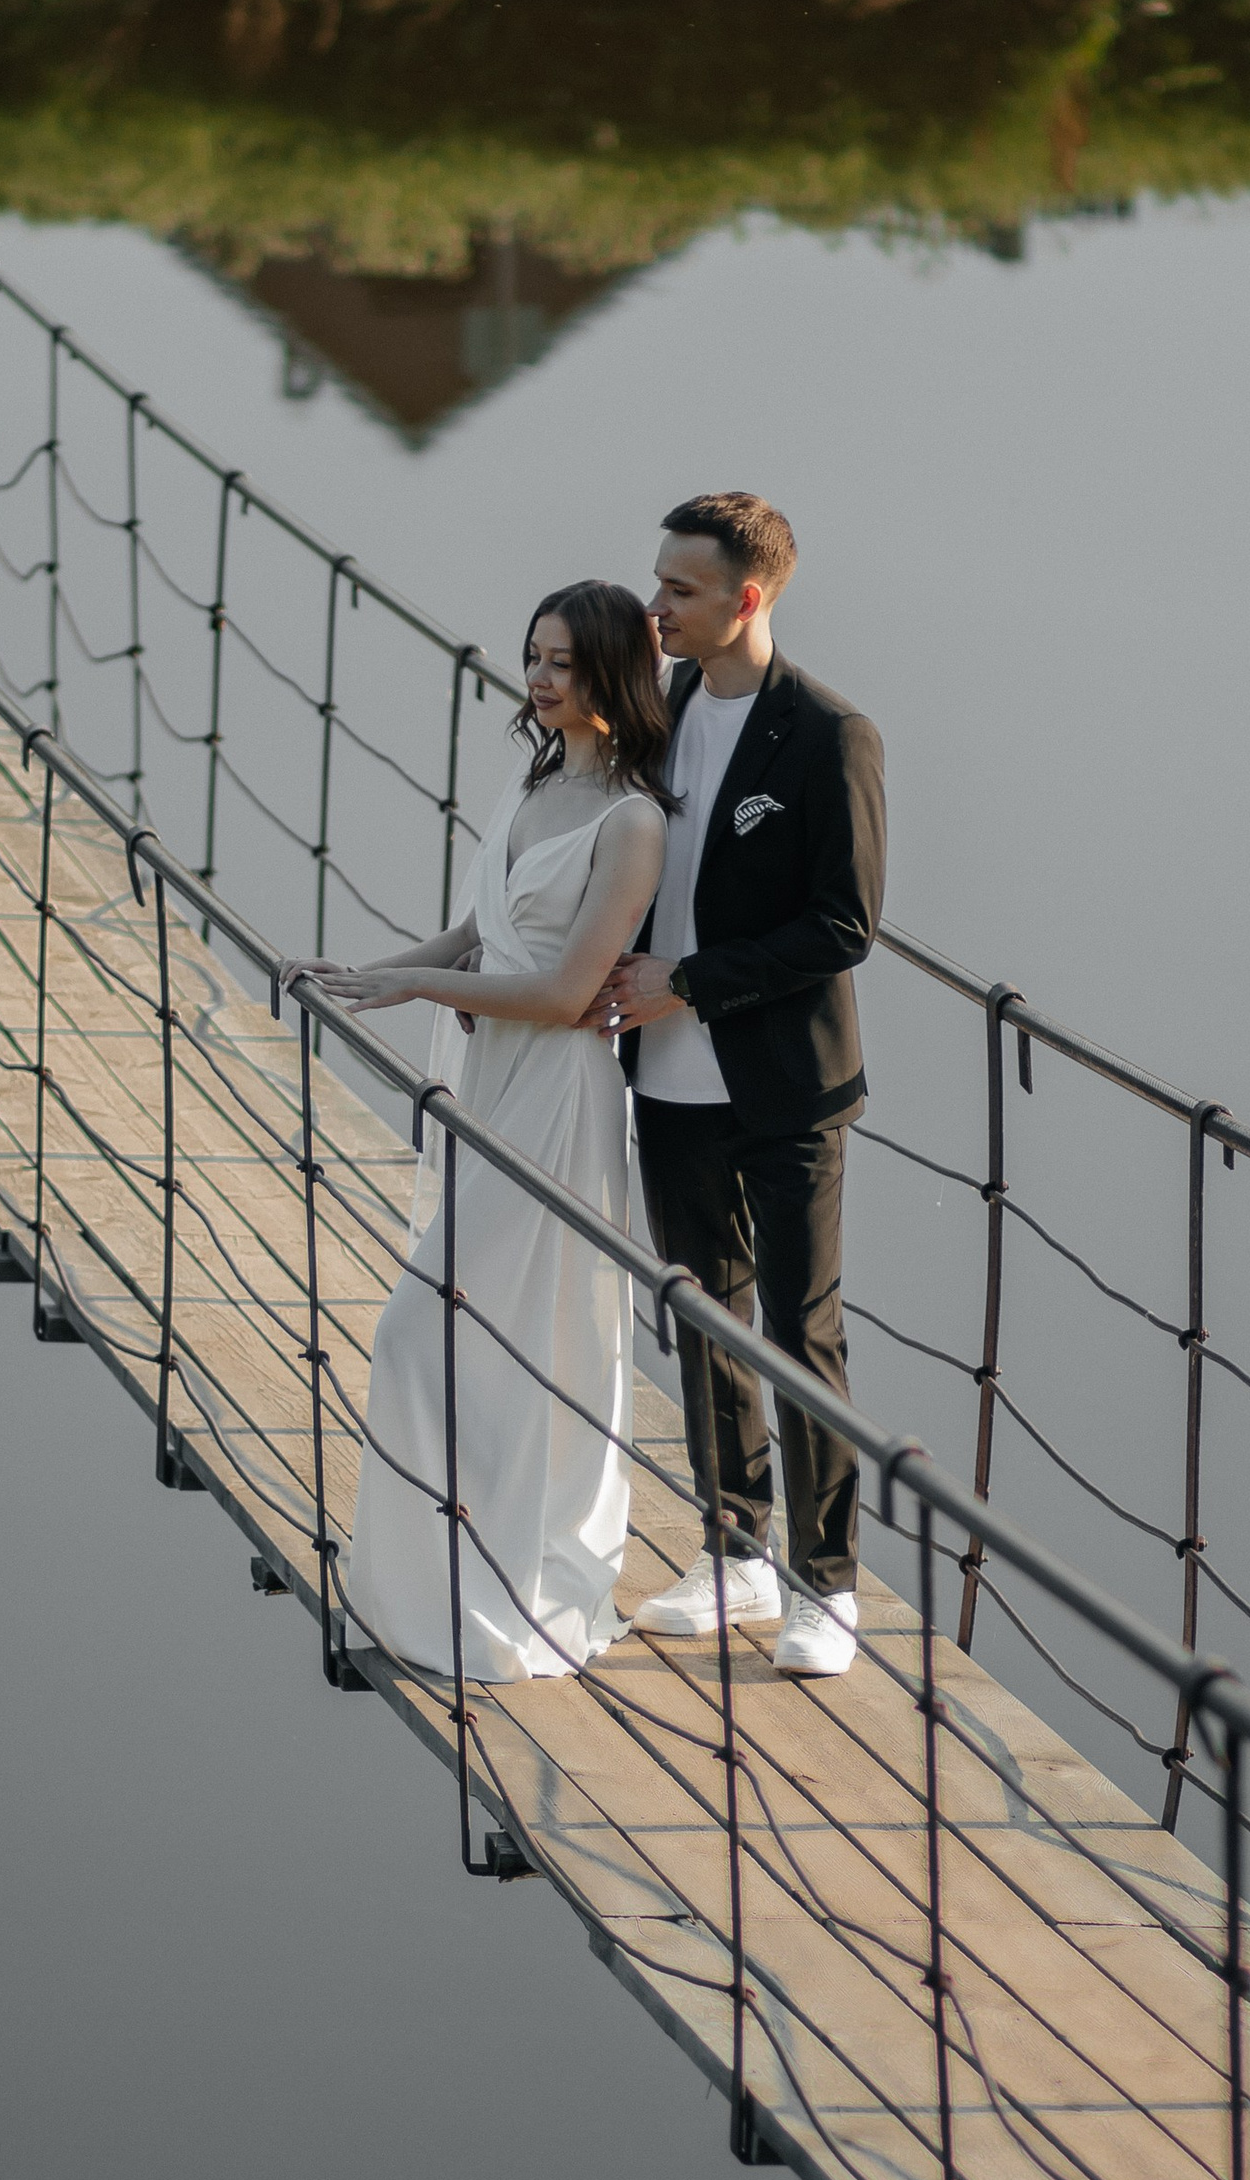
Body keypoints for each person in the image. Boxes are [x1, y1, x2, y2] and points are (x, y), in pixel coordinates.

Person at [284, 583, 670, 1680]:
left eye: (563, 662)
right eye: (533, 656)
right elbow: (477, 931)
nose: (538, 679)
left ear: (611, 673)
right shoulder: (537, 777)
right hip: (492, 1074)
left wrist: (416, 989)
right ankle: (436, 1584)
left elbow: (562, 992)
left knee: (442, 1330)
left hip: (556, 1098)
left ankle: (494, 1590)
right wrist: (369, 970)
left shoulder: (632, 821)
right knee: (481, 1334)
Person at [595, 494, 886, 1680]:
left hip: (784, 1082)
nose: (655, 606)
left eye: (680, 590)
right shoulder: (652, 712)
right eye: (658, 582)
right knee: (701, 1313)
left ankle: (826, 1583)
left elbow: (845, 924)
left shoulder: (828, 733)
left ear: (747, 597)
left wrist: (690, 981)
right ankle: (735, 1552)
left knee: (798, 1330)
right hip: (666, 1079)